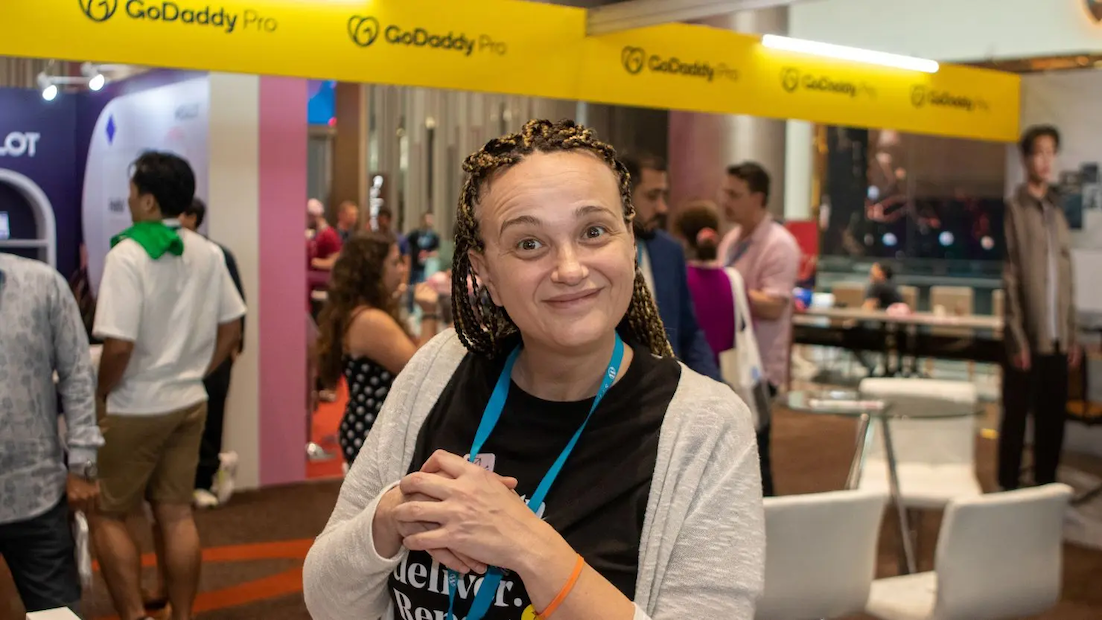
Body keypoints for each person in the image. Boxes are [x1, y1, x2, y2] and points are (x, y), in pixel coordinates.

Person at [303, 119, 764, 620]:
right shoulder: (438, 369)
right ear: (485, 273)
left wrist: (527, 545)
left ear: (629, 242)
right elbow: (328, 601)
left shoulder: (707, 427)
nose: (569, 268)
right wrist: (392, 514)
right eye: (529, 244)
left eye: (593, 231)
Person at [92, 151, 247, 620]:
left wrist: (100, 393)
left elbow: (117, 346)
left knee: (107, 512)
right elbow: (232, 329)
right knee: (176, 513)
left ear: (148, 200)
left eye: (133, 191)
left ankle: (136, 615)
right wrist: (199, 370)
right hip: (188, 402)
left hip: (135, 404)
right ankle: (182, 615)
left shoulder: (127, 254)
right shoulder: (209, 251)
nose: (128, 199)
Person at [0, 254, 104, 616]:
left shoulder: (42, 284)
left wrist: (83, 466)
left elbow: (77, 375)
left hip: (35, 492)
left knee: (55, 613)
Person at [1000, 124, 1080, 491]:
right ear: (1025, 158)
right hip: (1026, 340)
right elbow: (1010, 277)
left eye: (1051, 152)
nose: (1046, 160)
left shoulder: (1056, 213)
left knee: (1052, 422)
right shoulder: (1014, 210)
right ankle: (1006, 491)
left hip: (1058, 340)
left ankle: (1045, 491)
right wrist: (1017, 338)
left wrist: (1073, 333)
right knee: (1016, 419)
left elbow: (1066, 279)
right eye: (1039, 152)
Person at [315, 232, 441, 465]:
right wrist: (429, 312)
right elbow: (422, 371)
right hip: (374, 435)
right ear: (374, 272)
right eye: (394, 262)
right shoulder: (370, 320)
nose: (402, 268)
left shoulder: (361, 312)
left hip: (369, 429)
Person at [717, 161, 800, 497]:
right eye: (725, 192)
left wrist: (729, 289)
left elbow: (775, 304)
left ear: (758, 198)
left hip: (759, 369)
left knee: (757, 456)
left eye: (735, 194)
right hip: (731, 364)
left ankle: (768, 529)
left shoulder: (780, 244)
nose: (726, 200)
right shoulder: (731, 239)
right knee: (732, 457)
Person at [620, 152, 720, 381]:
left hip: (668, 388)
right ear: (624, 195)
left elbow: (689, 331)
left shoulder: (669, 251)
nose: (663, 208)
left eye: (664, 195)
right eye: (653, 196)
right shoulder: (597, 255)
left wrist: (715, 385)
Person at [179, 198, 245, 509]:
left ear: (192, 217)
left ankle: (205, 479)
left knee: (211, 420)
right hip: (178, 356)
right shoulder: (164, 256)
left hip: (213, 354)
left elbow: (236, 310)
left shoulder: (216, 255)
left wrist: (231, 349)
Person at [675, 200, 736, 366]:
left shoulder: (679, 279)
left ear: (683, 239)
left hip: (690, 372)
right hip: (726, 374)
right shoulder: (732, 279)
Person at [406, 211, 441, 285]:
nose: (429, 221)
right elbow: (407, 246)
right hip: (414, 266)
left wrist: (428, 254)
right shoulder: (415, 234)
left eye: (431, 219)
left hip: (427, 268)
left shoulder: (435, 236)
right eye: (427, 219)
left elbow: (436, 252)